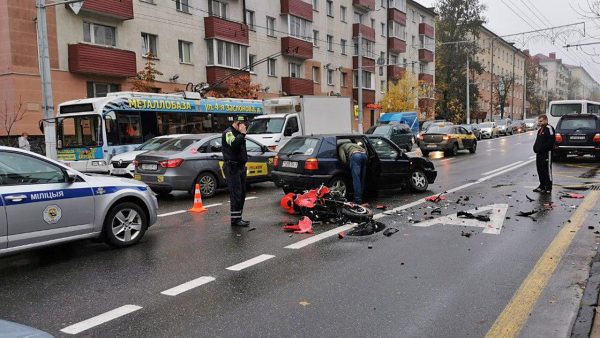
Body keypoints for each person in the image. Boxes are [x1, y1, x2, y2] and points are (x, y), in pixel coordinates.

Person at [222, 115, 250, 227]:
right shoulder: (228, 133)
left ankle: (239, 217)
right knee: (236, 194)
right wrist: (242, 134)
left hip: (240, 167)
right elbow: (233, 144)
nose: (245, 127)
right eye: (244, 125)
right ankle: (235, 220)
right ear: (237, 123)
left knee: (242, 193)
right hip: (232, 167)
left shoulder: (239, 134)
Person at [533, 114, 555, 193]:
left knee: (547, 170)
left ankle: (548, 187)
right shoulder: (540, 130)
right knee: (540, 169)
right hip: (539, 154)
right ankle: (542, 185)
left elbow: (551, 141)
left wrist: (542, 149)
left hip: (546, 153)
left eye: (541, 121)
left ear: (546, 120)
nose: (539, 123)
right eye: (539, 121)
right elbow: (538, 141)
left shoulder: (549, 128)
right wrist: (535, 148)